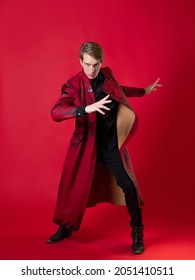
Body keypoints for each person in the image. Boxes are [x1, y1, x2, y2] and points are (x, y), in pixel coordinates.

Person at [48, 42, 161, 254]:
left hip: (109, 148)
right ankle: (65, 228)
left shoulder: (107, 75)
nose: (92, 70)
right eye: (88, 64)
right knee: (72, 189)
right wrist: (84, 109)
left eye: (96, 65)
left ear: (102, 63)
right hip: (85, 149)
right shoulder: (72, 85)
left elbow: (121, 91)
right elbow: (56, 112)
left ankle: (137, 232)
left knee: (129, 186)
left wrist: (143, 91)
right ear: (81, 61)